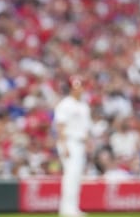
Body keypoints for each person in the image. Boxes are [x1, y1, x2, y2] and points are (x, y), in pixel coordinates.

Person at [53, 76, 91, 217]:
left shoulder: (83, 105)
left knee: (76, 176)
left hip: (80, 143)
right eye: (76, 86)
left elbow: (86, 128)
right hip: (69, 141)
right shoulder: (65, 104)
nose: (79, 89)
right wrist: (64, 146)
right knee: (70, 175)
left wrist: (87, 144)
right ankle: (67, 209)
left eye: (80, 86)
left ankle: (73, 207)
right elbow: (60, 126)